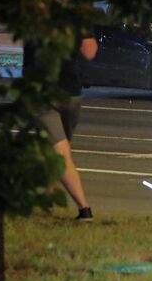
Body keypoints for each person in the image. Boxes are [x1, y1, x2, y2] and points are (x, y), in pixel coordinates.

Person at [24, 35, 98, 221]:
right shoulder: (75, 15)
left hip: (44, 93)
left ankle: (84, 209)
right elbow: (90, 51)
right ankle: (45, 202)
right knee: (61, 152)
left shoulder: (32, 13)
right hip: (71, 91)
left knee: (60, 156)